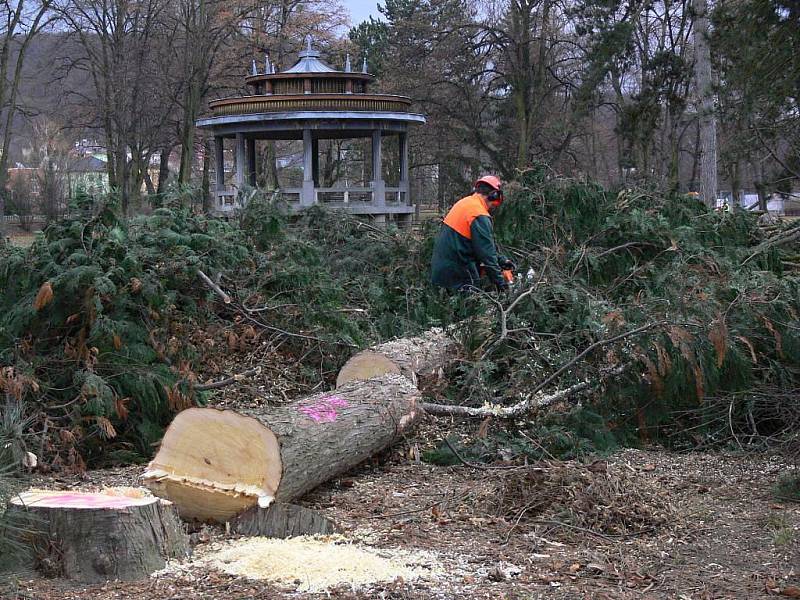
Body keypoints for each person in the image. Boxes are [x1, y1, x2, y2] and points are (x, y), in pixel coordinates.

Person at [430, 175, 514, 292]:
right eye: (493, 204)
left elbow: (483, 245)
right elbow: (487, 256)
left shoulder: (465, 203)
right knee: (473, 304)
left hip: (442, 272)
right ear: (494, 195)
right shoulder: (479, 214)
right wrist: (503, 286)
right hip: (459, 276)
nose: (491, 208)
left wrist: (502, 261)